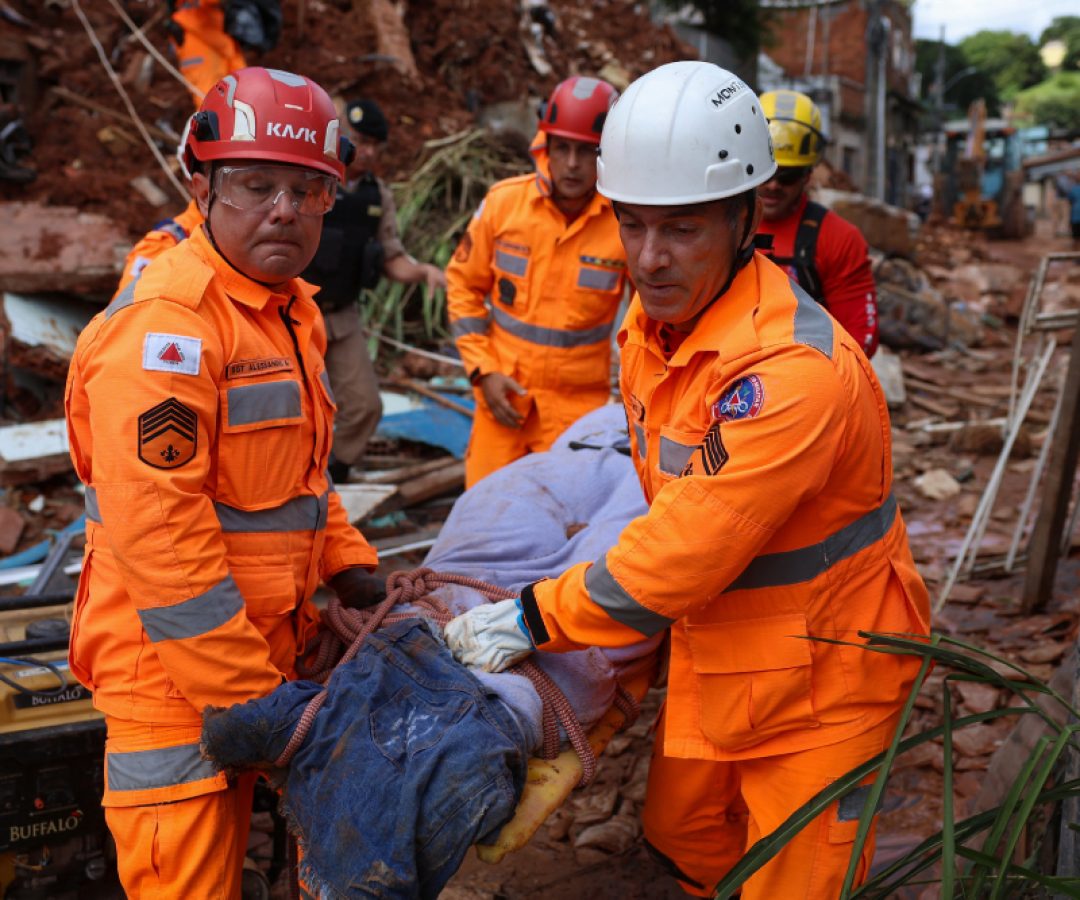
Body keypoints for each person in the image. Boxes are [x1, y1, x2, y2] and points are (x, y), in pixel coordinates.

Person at [444, 62, 931, 899]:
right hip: (728, 648)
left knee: (796, 879)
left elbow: (678, 554)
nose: (648, 258)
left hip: (825, 672)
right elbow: (664, 500)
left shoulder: (791, 374)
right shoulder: (655, 327)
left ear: (745, 220)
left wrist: (531, 616)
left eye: (681, 230)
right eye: (630, 226)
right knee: (683, 834)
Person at [64, 66, 387, 898]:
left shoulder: (283, 306)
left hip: (253, 668)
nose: (283, 209)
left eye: (306, 191)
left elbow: (297, 479)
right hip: (175, 685)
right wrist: (248, 696)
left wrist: (348, 563)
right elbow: (159, 536)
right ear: (200, 186)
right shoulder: (168, 330)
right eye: (255, 186)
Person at [446, 75, 627, 488]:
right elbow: (463, 287)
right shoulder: (503, 204)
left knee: (565, 532)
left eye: (588, 151)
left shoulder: (626, 224)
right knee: (485, 524)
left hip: (581, 414)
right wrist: (482, 372)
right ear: (544, 145)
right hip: (503, 401)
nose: (572, 164)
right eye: (562, 148)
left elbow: (647, 320)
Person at [302, 97, 447, 482]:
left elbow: (391, 258)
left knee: (365, 405)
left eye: (373, 145)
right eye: (358, 140)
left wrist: (423, 272)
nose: (364, 152)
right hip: (298, 314)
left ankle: (335, 474)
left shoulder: (376, 196)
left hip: (344, 317)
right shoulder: (310, 179)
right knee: (296, 406)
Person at [756, 89, 879, 358]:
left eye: (788, 176)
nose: (774, 185)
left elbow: (861, 340)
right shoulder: (713, 228)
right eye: (767, 173)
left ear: (809, 174)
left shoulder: (837, 238)